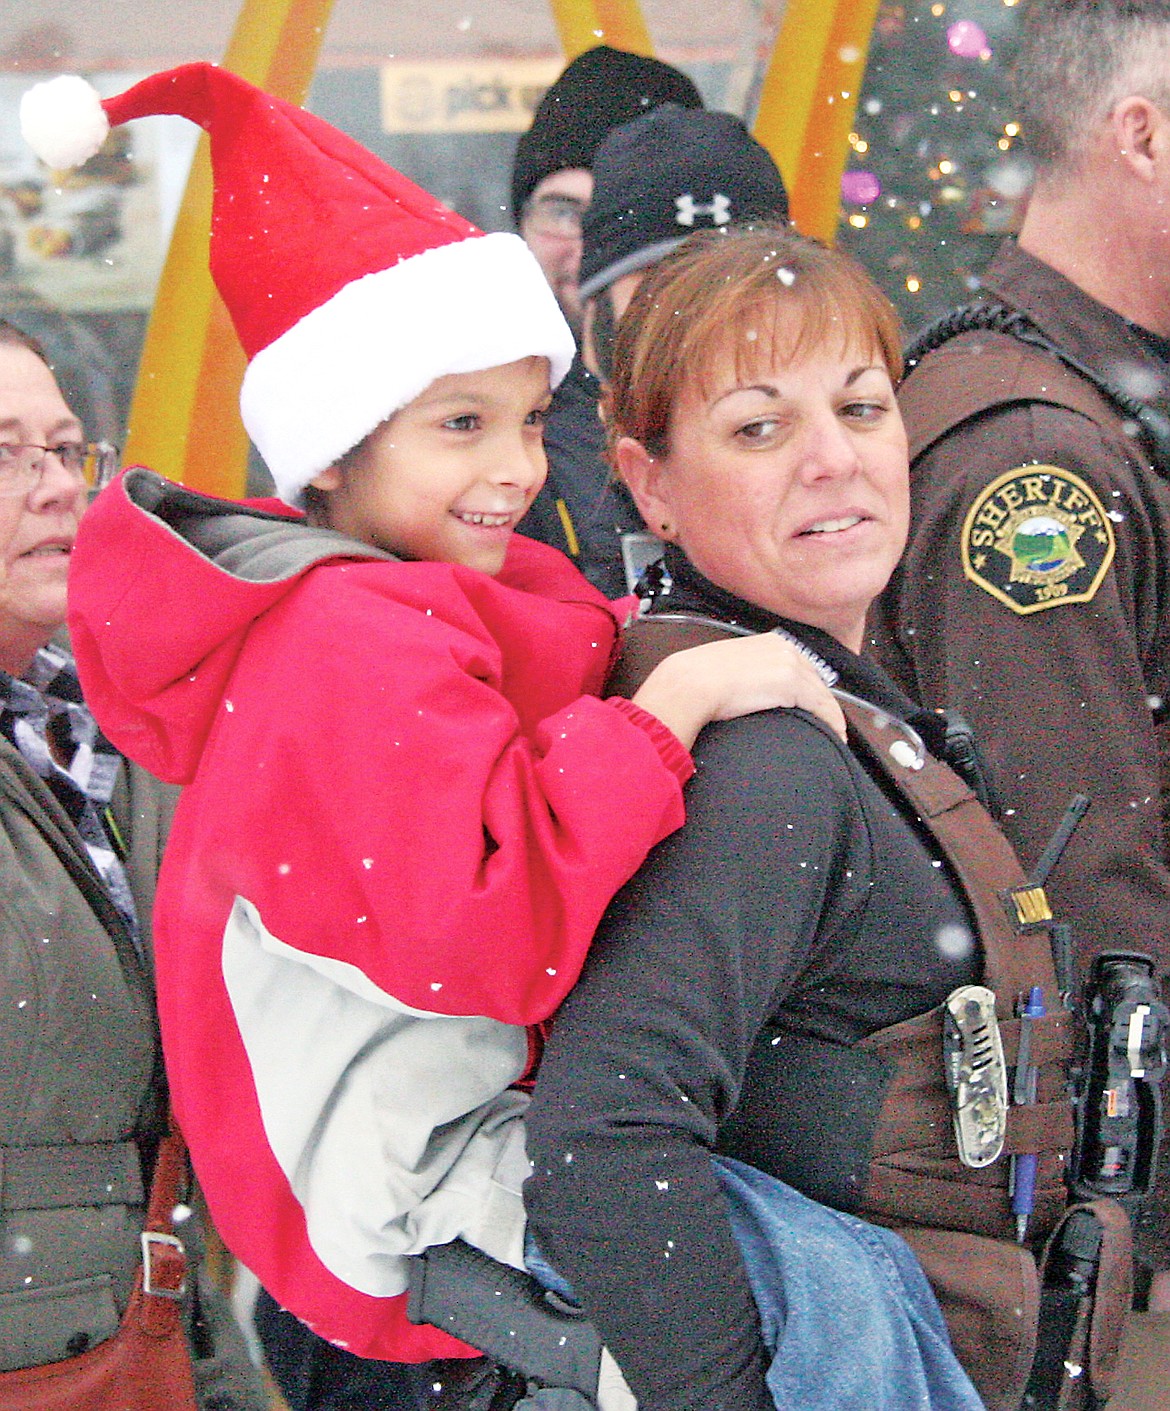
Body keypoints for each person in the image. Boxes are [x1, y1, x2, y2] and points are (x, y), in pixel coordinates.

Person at [23, 64, 840, 1407]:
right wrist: (668, 709)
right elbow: (486, 925)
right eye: (458, 425)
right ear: (334, 449)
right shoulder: (352, 637)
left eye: (525, 418)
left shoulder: (387, 603)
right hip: (412, 1189)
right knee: (825, 1292)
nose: (514, 468)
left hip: (405, 1165)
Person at [522, 225, 1127, 1411]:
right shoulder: (762, 762)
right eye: (758, 427)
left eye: (859, 407)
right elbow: (605, 1137)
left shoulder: (811, 705)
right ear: (648, 482)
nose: (832, 460)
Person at [867, 0, 1170, 1297]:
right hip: (1083, 1244)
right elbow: (1094, 898)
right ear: (1143, 137)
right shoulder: (1035, 461)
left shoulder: (1078, 406)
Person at [0, 319, 268, 1409]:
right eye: (3, 453)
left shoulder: (127, 729)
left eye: (66, 450)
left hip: (153, 1335)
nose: (57, 485)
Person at [519, 103, 790, 597]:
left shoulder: (840, 443)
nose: (701, 317)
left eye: (739, 287)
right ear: (596, 301)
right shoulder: (520, 460)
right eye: (663, 287)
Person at [510, 45, 702, 338]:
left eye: (623, 217)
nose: (587, 251)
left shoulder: (759, 368)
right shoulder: (461, 367)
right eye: (563, 214)